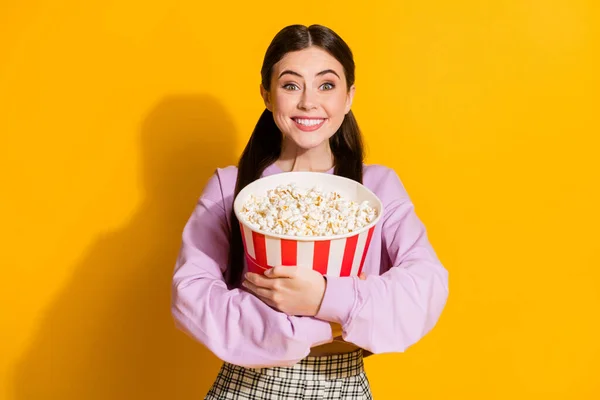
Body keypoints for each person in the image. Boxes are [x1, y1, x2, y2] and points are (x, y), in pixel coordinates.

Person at [171, 24, 449, 399]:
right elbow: (191, 298)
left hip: (343, 386)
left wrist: (323, 296)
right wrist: (325, 325)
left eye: (326, 85)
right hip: (247, 387)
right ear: (267, 95)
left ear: (349, 97)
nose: (307, 102)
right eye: (290, 85)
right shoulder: (229, 187)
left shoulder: (377, 188)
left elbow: (425, 288)